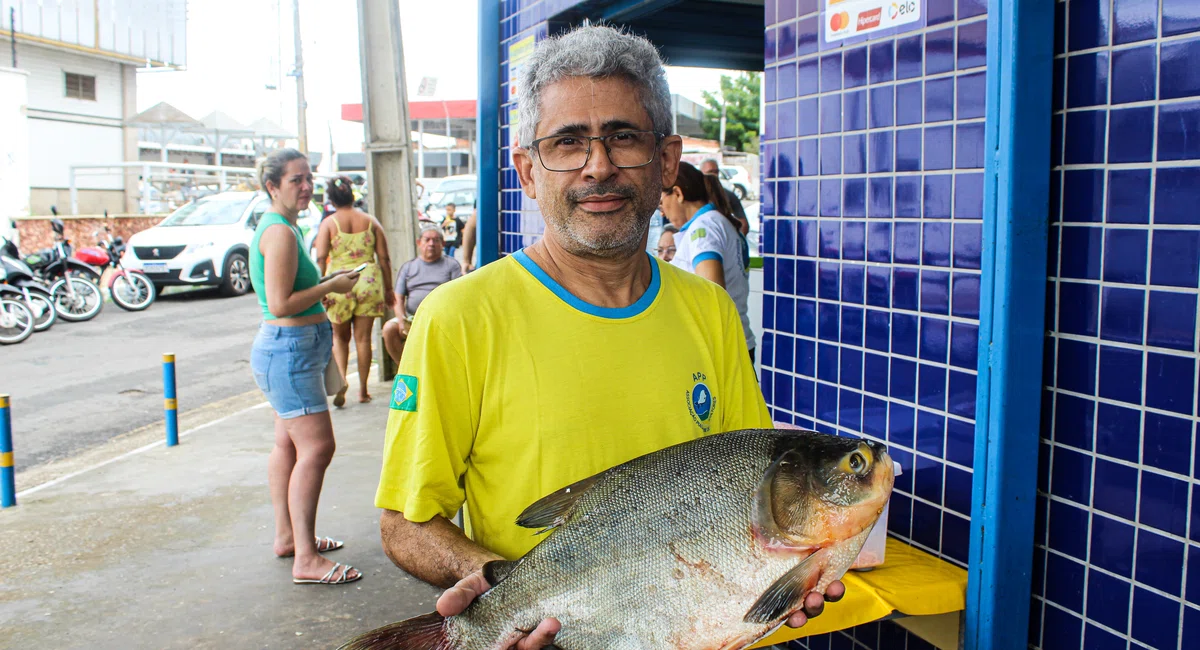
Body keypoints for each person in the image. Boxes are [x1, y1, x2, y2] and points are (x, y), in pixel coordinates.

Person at [374, 25, 841, 648]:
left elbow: (744, 484)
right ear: (527, 170)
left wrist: (779, 574)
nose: (599, 165)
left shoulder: (708, 309)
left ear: (666, 160)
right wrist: (498, 586)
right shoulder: (460, 316)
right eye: (567, 143)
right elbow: (405, 521)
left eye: (623, 138)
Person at [249, 148, 363, 586]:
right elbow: (279, 305)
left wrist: (323, 288)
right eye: (295, 180)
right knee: (316, 448)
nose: (305, 186)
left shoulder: (286, 227)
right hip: (289, 352)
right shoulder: (278, 232)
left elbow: (289, 294)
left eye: (308, 178)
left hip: (294, 350)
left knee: (289, 446)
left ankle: (289, 537)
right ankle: (307, 559)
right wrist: (330, 285)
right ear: (272, 186)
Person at [661, 161, 756, 360]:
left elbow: (711, 295)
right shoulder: (717, 221)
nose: (662, 212)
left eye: (662, 202)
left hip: (717, 350)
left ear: (678, 194)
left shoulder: (704, 230)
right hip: (731, 343)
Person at [314, 176, 394, 406]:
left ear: (331, 199)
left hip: (339, 280)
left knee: (339, 338)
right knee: (363, 339)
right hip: (367, 280)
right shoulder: (370, 221)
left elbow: (320, 258)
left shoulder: (329, 224)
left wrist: (321, 289)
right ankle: (364, 391)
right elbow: (385, 258)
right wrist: (389, 288)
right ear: (353, 196)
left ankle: (341, 384)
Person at [380, 224, 462, 365]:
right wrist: (401, 321)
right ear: (419, 243)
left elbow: (458, 296)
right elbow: (397, 297)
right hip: (412, 319)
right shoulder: (409, 267)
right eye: (427, 240)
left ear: (442, 244)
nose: (431, 244)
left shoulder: (451, 265)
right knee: (389, 329)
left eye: (436, 240)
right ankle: (405, 368)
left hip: (441, 319)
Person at [700, 157, 749, 235]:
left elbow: (743, 224)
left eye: (716, 172)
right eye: (710, 172)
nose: (714, 175)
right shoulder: (696, 195)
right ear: (701, 173)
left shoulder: (729, 195)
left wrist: (737, 242)